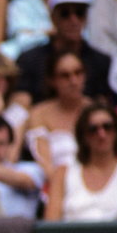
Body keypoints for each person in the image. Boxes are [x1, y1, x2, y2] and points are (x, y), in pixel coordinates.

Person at [12, 0, 114, 109]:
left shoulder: (101, 62)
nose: (74, 20)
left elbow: (105, 109)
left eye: (80, 13)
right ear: (53, 17)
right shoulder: (29, 60)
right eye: (65, 13)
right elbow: (19, 106)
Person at [44, 103, 117, 221]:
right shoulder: (63, 173)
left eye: (107, 127)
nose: (102, 134)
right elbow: (51, 223)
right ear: (83, 136)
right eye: (93, 129)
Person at [23, 50, 91, 178]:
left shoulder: (97, 111)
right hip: (54, 183)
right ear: (52, 80)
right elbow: (44, 163)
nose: (73, 81)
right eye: (65, 75)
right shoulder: (39, 114)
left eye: (78, 73)